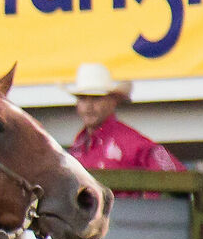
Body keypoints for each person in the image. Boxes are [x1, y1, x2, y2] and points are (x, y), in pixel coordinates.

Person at [65, 63, 185, 191]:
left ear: (113, 102)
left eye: (96, 98)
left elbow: (180, 179)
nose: (88, 106)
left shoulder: (132, 142)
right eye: (82, 98)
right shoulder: (78, 145)